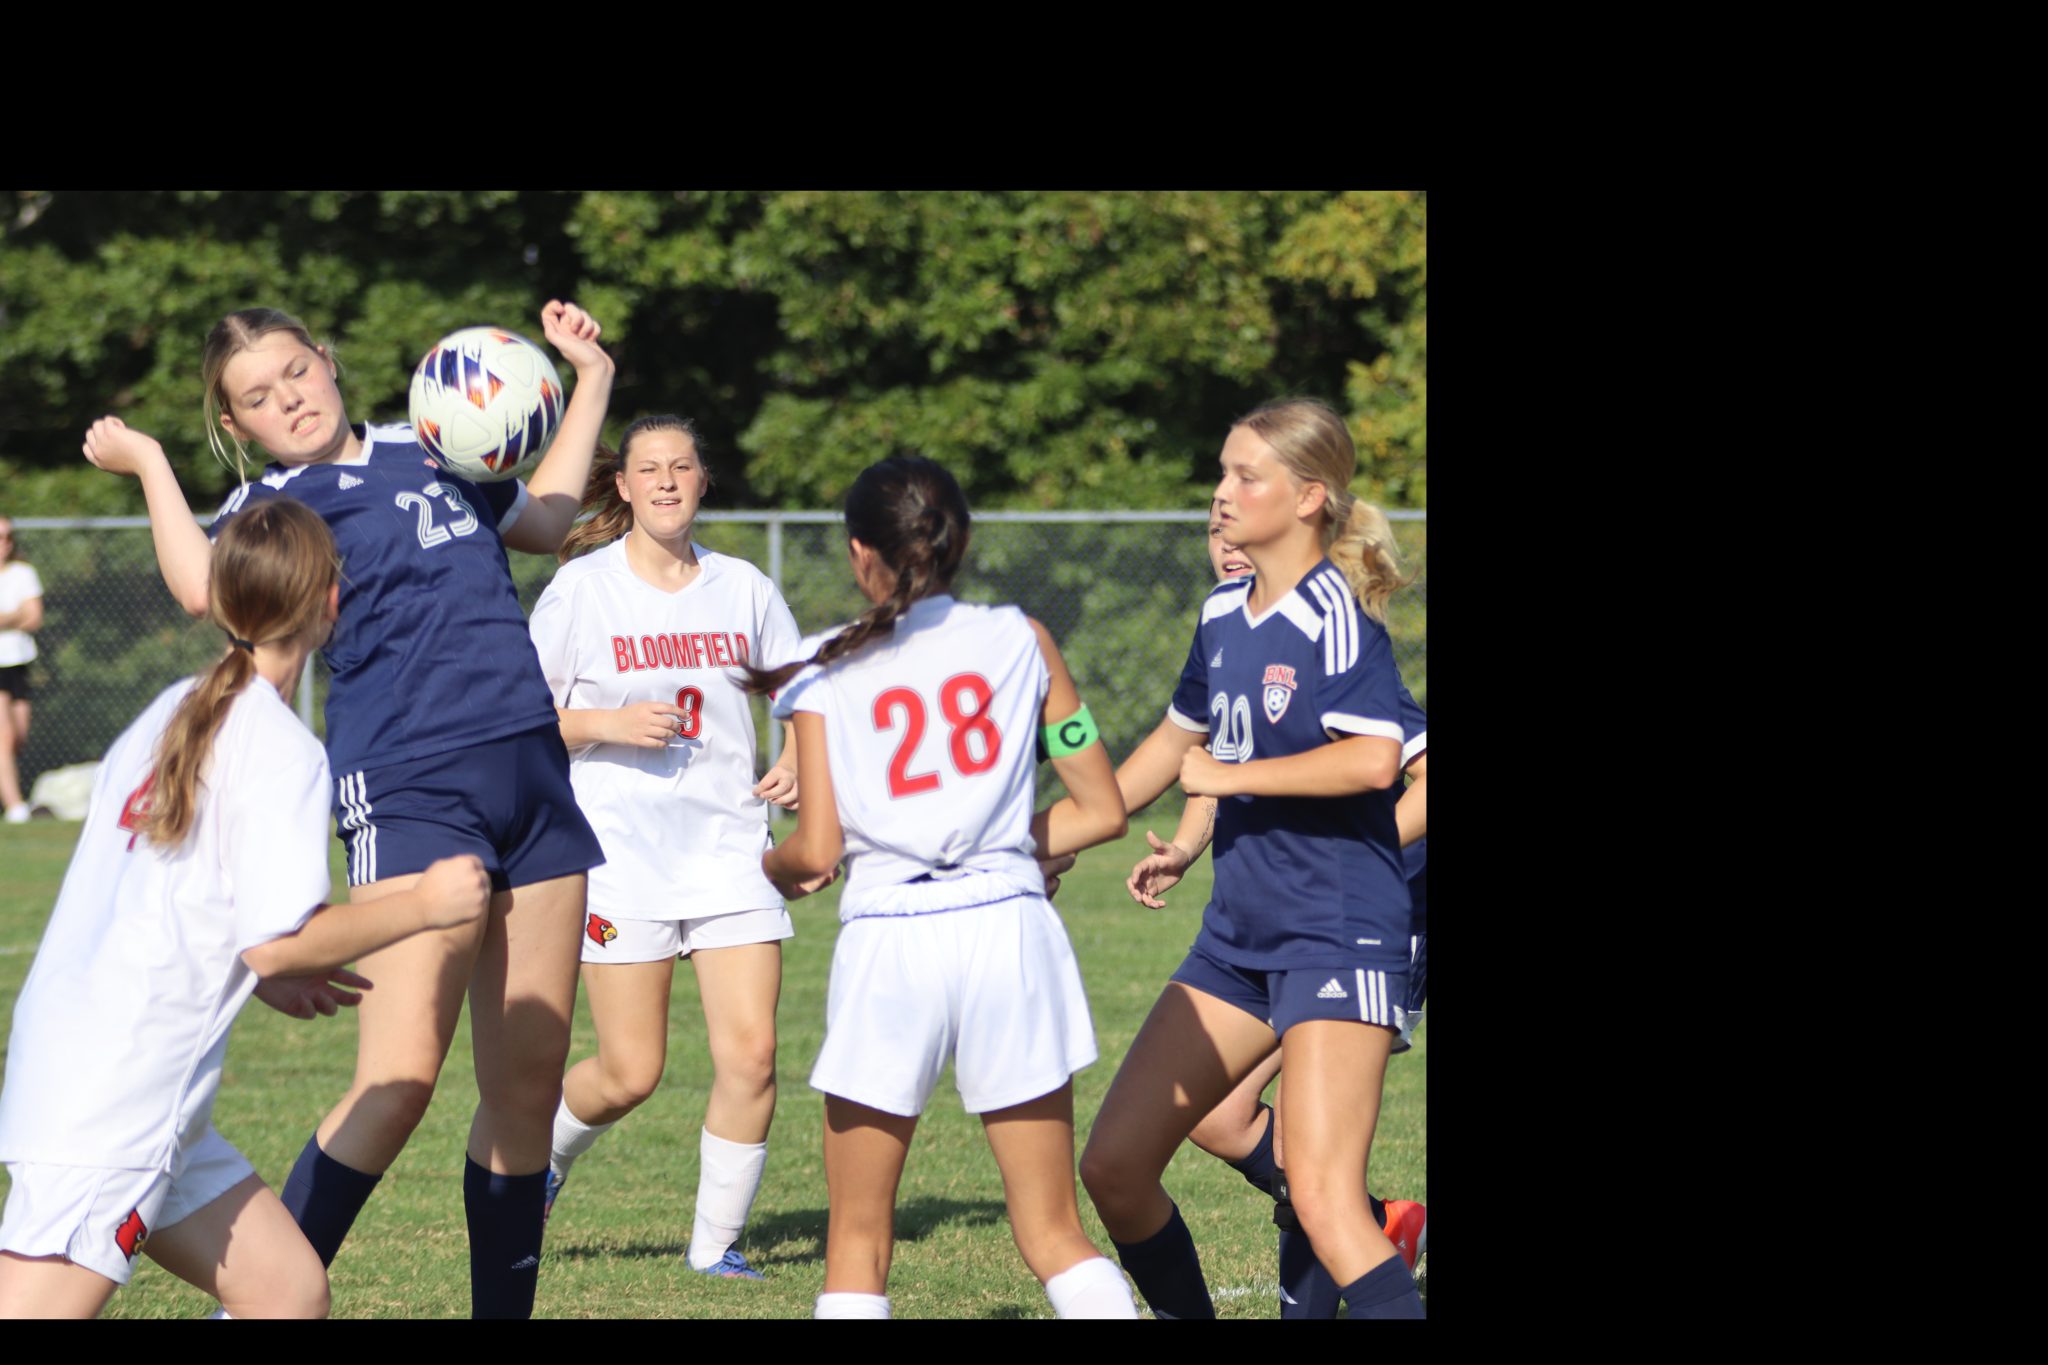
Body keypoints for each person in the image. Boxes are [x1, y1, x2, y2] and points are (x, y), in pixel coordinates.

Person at [80, 301, 614, 1319]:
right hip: (410, 788)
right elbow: (200, 589)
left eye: (295, 372)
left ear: (327, 362)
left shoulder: (438, 440)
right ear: (235, 426)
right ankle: (256, 1305)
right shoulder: (274, 506)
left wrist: (589, 379)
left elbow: (546, 525)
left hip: (532, 775)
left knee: (528, 1088)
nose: (288, 399)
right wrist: (149, 461)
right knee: (400, 1078)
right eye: (257, 397)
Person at [0, 500, 489, 1319]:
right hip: (119, 1099)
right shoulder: (278, 746)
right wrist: (426, 902)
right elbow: (279, 942)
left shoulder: (174, 707)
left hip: (83, 1062)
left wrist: (259, 975)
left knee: (287, 1292)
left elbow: (174, 891)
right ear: (330, 600)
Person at [744, 456, 1137, 1320]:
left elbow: (814, 850)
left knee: (857, 1242)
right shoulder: (1024, 637)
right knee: (1055, 1232)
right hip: (1009, 929)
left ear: (860, 554)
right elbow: (1102, 809)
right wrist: (1004, 853)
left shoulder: (822, 663)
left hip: (892, 934)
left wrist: (766, 866)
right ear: (958, 540)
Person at [1077, 399, 1427, 1320]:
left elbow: (1374, 760)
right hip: (1237, 935)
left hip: (1335, 929)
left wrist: (1231, 777)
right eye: (1221, 475)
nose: (1223, 495)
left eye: (1246, 476)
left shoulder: (1335, 616)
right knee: (1114, 1165)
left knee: (1325, 1200)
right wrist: (1054, 834)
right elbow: (1173, 744)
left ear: (1310, 497)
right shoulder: (1223, 612)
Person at [528, 415, 803, 1280]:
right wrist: (607, 724)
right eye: (649, 469)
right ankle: (540, 1163)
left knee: (752, 1054)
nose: (667, 481)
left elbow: (802, 693)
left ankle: (715, 1246)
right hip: (620, 856)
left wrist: (798, 753)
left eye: (681, 466)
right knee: (630, 1070)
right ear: (624, 485)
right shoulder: (582, 589)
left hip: (729, 849)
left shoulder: (744, 587)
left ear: (702, 479)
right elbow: (523, 718)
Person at [0, 514, 43, 824]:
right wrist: (15, 615)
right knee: (3, 736)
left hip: (18, 663)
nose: (3, 543)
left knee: (18, 737)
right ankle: (16, 806)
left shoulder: (23, 573)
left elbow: (33, 617)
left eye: (7, 537)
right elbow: (22, 614)